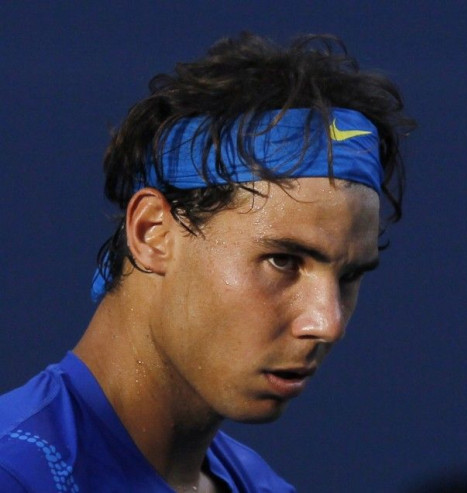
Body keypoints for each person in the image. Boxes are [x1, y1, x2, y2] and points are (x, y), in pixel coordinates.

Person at [0, 31, 414, 492]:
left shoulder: (267, 487)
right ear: (153, 233)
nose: (327, 323)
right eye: (283, 260)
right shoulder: (14, 472)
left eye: (349, 275)